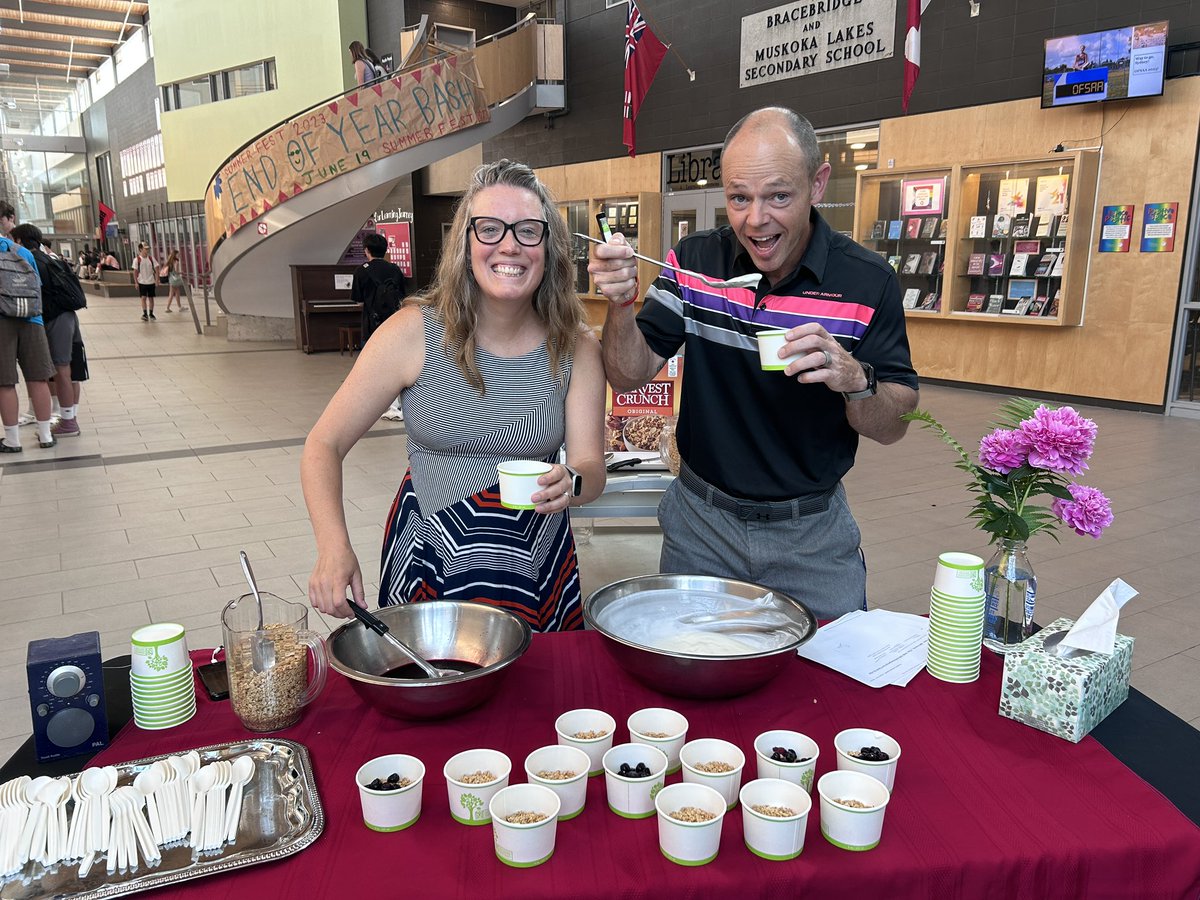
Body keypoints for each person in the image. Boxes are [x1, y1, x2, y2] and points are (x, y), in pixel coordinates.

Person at [589, 107, 919, 619]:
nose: (755, 220)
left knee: (827, 687)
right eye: (739, 198)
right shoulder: (695, 262)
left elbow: (896, 424)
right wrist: (618, 304)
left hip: (812, 536)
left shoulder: (867, 281)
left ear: (817, 184)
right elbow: (628, 374)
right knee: (692, 672)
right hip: (701, 526)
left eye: (778, 196)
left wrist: (855, 379)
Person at [303, 159, 606, 632]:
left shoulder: (577, 346)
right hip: (431, 565)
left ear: (549, 247)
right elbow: (323, 444)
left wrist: (572, 482)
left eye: (528, 230)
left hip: (536, 567)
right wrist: (333, 546)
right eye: (489, 229)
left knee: (539, 697)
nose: (509, 245)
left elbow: (592, 471)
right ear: (465, 244)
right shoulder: (412, 333)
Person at [11, 223, 85, 438]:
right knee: (69, 370)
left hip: (55, 319)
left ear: (19, 241)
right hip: (69, 316)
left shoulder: (31, 260)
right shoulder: (50, 258)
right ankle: (69, 418)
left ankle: (69, 423)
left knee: (61, 370)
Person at [0, 199, 57, 452]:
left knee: (5, 382)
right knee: (38, 379)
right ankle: (45, 436)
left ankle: (12, 440)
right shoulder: (22, 251)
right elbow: (38, 289)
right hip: (32, 319)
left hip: (2, 321)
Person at [133, 243, 158, 320]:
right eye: (145, 249)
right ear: (141, 249)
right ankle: (145, 313)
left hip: (151, 281)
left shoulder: (151, 258)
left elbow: (157, 268)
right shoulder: (137, 259)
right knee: (143, 297)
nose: (147, 250)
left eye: (148, 249)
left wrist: (157, 279)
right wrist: (136, 282)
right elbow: (135, 271)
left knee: (151, 298)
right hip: (142, 281)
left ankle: (151, 313)